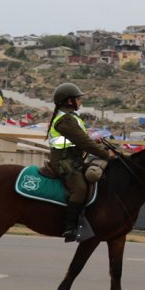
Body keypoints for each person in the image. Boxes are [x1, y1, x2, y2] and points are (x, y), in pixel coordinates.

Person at [47, 83, 113, 242]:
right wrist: (105, 154)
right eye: (78, 98)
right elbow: (83, 143)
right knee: (80, 188)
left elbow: (81, 139)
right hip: (64, 162)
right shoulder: (66, 120)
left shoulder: (72, 118)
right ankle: (70, 228)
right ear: (69, 101)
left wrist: (94, 140)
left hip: (73, 159)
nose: (80, 101)